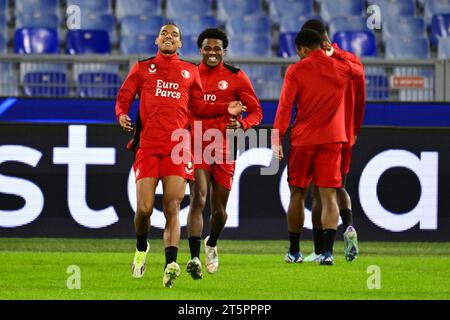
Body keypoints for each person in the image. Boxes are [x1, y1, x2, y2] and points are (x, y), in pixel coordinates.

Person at [115, 23, 245, 288]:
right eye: (164, 33)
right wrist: (122, 115)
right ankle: (142, 247)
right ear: (156, 39)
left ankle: (170, 264)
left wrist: (225, 108)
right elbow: (124, 97)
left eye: (174, 34)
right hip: (148, 146)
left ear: (180, 43)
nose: (169, 37)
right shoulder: (142, 68)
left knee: (172, 206)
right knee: (144, 209)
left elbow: (199, 107)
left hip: (178, 147)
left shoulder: (189, 71)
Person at [272, 28, 363, 265]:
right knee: (328, 196)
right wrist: (336, 53)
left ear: (302, 49)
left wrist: (277, 138)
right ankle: (328, 253)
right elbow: (359, 71)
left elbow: (284, 107)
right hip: (333, 140)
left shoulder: (296, 69)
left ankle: (294, 252)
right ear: (322, 45)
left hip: (303, 140)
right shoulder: (342, 67)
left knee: (297, 194)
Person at [186, 28, 263, 280]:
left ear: (223, 50)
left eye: (217, 48)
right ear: (200, 49)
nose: (212, 52)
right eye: (207, 48)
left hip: (224, 147)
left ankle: (212, 243)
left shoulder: (237, 76)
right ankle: (195, 258)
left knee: (219, 212)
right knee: (198, 198)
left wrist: (241, 125)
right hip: (195, 144)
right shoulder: (189, 75)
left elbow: (256, 112)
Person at [299, 19, 365, 263]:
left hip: (322, 135)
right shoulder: (349, 60)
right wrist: (355, 128)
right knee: (339, 188)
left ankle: (320, 250)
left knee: (319, 194)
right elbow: (361, 97)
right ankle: (348, 226)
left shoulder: (314, 64)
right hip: (346, 134)